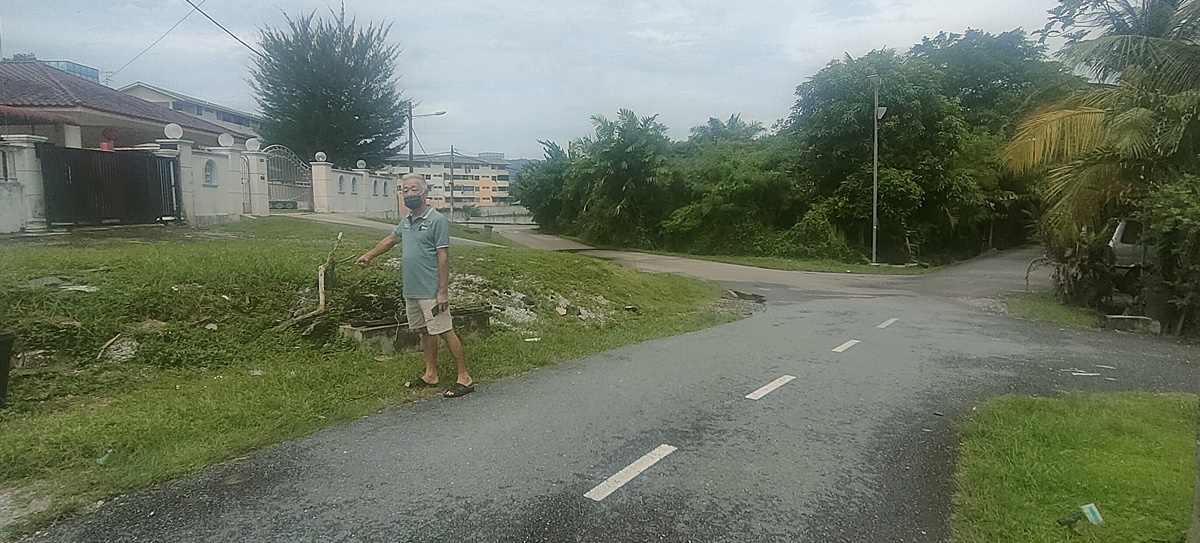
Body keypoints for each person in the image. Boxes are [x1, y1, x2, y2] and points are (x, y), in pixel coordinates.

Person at [357, 174, 474, 398]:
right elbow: (391, 240)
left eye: (414, 189)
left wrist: (442, 291)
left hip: (431, 291)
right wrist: (369, 255)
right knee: (425, 331)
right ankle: (431, 374)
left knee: (445, 331)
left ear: (425, 193)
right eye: (405, 190)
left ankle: (464, 378)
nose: (409, 194)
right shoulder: (407, 221)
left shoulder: (436, 220)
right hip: (412, 289)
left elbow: (443, 257)